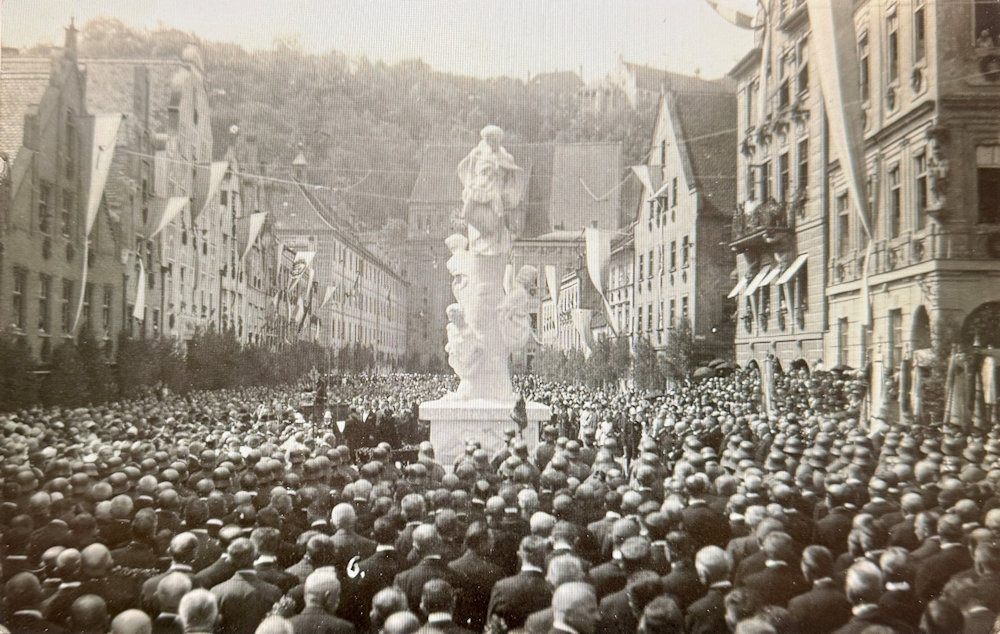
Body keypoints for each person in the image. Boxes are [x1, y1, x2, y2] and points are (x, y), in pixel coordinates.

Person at [287, 568, 354, 634]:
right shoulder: (342, 628)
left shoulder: (287, 625)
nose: (338, 600)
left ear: (305, 596)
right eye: (337, 595)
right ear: (328, 596)